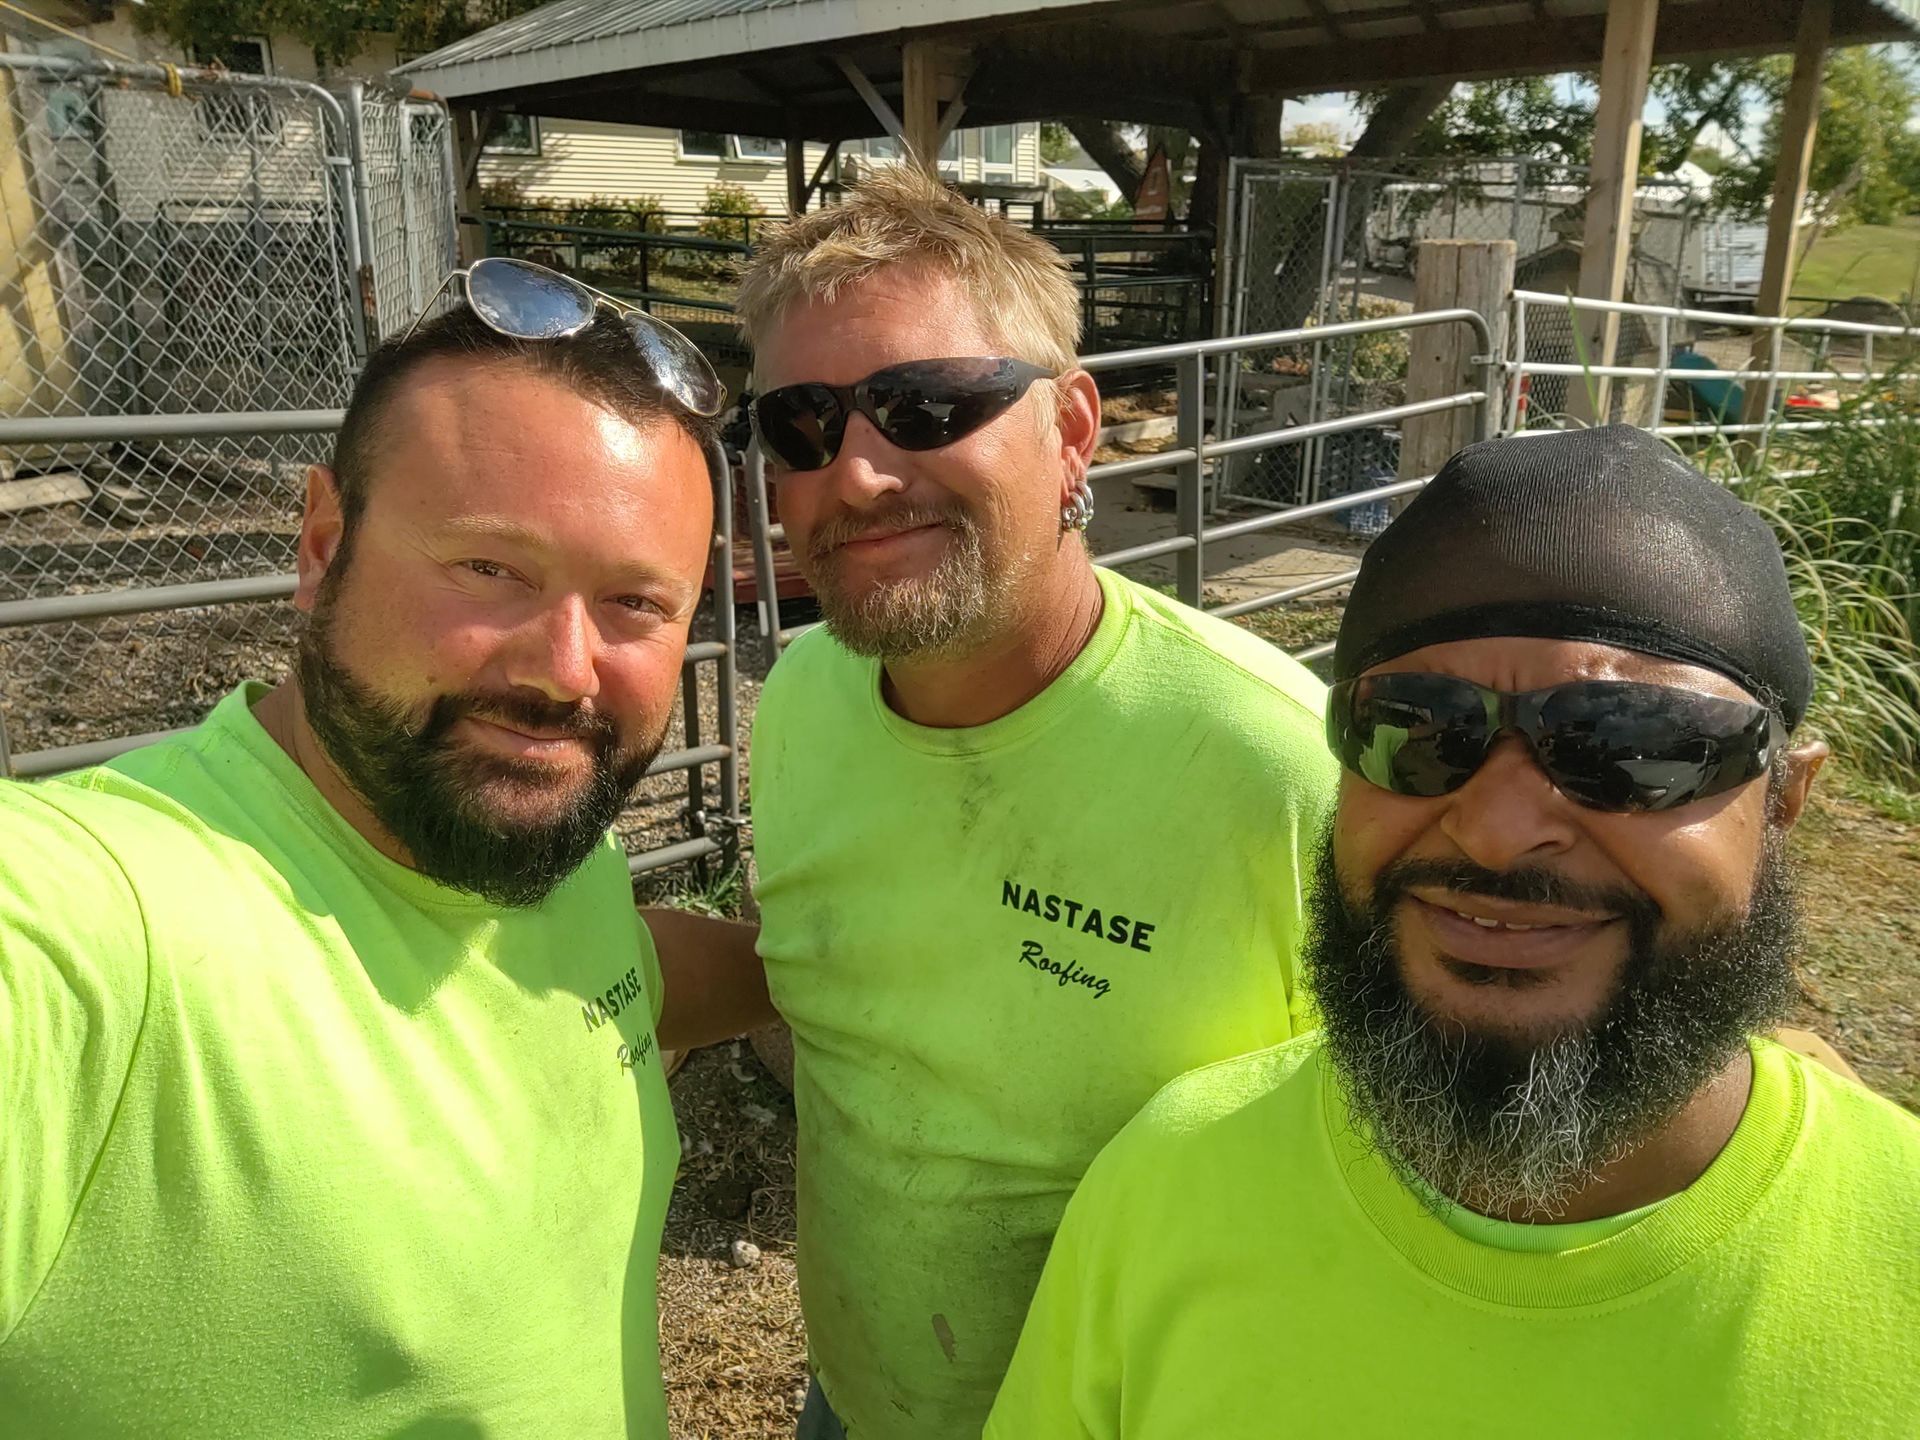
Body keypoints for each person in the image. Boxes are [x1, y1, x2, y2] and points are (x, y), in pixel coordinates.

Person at [987, 425, 1920, 1438]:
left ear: (1784, 801)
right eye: (1423, 731)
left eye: (1634, 743)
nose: (1498, 829)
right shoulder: (1165, 1187)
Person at [0, 265, 765, 1436]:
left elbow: (611, 980)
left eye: (634, 605)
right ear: (320, 547)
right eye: (490, 570)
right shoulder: (95, 923)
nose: (565, 671)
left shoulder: (538, 854)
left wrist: (832, 970)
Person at [725, 166, 1338, 1439]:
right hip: (856, 1401)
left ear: (1071, 429)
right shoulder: (803, 704)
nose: (859, 474)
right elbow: (834, 983)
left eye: (927, 404)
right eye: (802, 424)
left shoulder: (1280, 769)